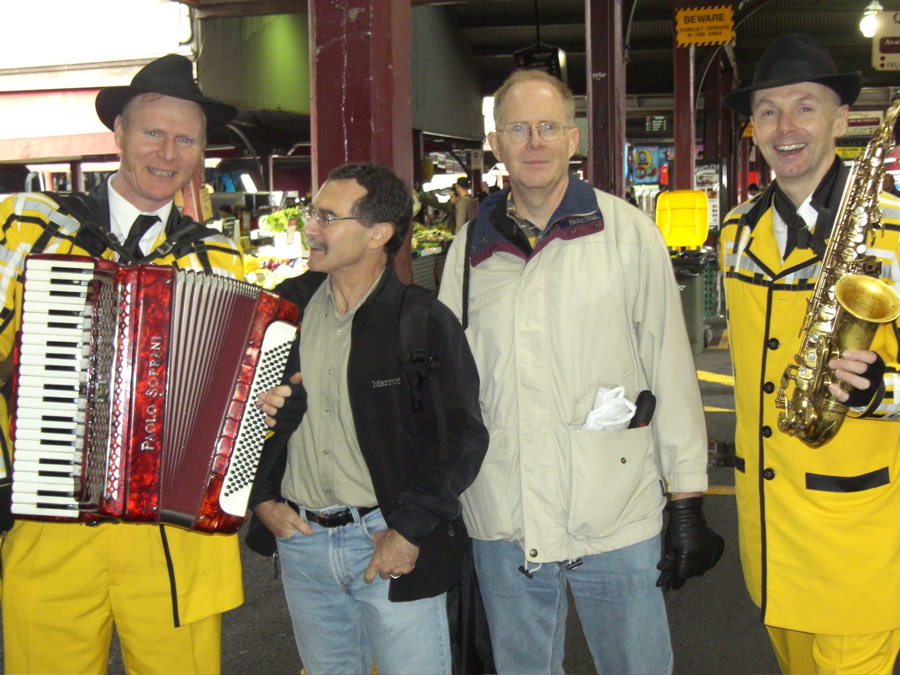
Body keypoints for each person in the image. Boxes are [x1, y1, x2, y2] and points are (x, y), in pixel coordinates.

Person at [437, 69, 723, 675]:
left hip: (614, 512)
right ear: (496, 143)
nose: (534, 142)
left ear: (573, 139)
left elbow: (668, 368)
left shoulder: (628, 237)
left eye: (548, 127)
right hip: (503, 518)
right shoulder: (467, 253)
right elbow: (451, 386)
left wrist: (688, 497)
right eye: (519, 128)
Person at [0, 54, 244, 674]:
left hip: (176, 533)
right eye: (152, 133)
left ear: (201, 151)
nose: (168, 152)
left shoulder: (218, 256)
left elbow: (233, 391)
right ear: (119, 136)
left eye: (185, 138)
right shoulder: (26, 229)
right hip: (51, 516)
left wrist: (258, 406)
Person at [250, 162, 489, 675]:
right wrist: (263, 500)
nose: (310, 227)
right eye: (312, 213)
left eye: (328, 217)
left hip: (386, 541)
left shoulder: (421, 321)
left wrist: (408, 531)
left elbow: (461, 438)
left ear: (379, 233)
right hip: (303, 545)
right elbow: (236, 414)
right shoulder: (280, 311)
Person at [721, 33, 900, 674]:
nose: (784, 125)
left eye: (805, 106)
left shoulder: (896, 228)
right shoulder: (735, 232)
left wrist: (885, 391)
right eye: (768, 110)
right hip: (769, 532)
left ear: (841, 118)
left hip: (857, 532)